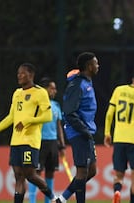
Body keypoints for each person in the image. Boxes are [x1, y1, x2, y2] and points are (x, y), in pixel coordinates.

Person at [0, 63, 56, 203]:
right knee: (18, 176)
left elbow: (48, 116)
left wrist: (28, 120)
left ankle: (53, 198)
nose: (19, 75)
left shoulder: (40, 92)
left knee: (30, 175)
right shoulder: (17, 93)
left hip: (30, 141)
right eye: (18, 73)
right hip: (16, 142)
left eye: (23, 73)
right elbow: (11, 118)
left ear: (31, 75)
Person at [53, 52, 99, 203]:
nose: (98, 66)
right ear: (88, 66)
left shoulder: (86, 82)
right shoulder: (77, 85)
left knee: (91, 171)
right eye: (95, 63)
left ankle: (62, 199)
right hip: (79, 132)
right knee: (82, 171)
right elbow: (69, 111)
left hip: (86, 131)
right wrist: (83, 130)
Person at [103, 67, 134, 203]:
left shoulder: (119, 90)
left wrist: (107, 133)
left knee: (119, 174)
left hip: (119, 138)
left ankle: (117, 191)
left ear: (133, 79)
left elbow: (109, 114)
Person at [28, 77, 66, 203]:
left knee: (50, 173)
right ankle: (32, 200)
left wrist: (62, 144)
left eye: (55, 88)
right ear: (44, 89)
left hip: (53, 143)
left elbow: (58, 125)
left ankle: (48, 201)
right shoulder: (38, 104)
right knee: (36, 174)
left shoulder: (56, 105)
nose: (54, 91)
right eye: (52, 88)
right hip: (39, 142)